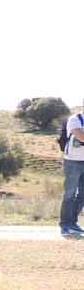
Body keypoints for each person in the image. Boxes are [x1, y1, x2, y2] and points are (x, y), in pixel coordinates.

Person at [62, 101, 84, 239]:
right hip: (73, 161)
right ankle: (64, 224)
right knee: (69, 194)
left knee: (82, 195)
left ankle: (73, 223)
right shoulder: (75, 119)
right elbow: (80, 136)